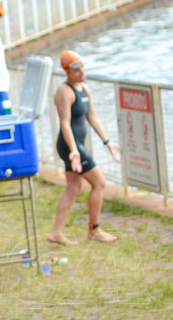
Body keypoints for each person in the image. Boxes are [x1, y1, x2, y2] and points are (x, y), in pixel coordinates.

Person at [48, 51, 120, 245]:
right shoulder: (65, 92)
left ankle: (56, 233)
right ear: (67, 72)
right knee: (99, 183)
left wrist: (108, 142)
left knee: (74, 187)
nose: (81, 72)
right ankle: (94, 230)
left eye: (82, 67)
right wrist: (73, 150)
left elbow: (92, 117)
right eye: (76, 70)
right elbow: (65, 123)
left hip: (76, 148)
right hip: (69, 145)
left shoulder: (84, 88)